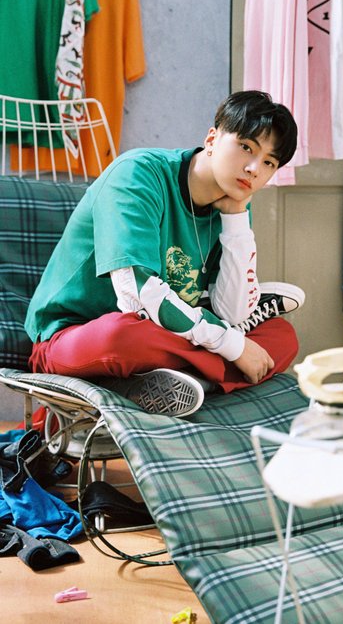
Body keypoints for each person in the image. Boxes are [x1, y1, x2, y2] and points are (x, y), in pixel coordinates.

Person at [25, 90, 305, 417]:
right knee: (122, 336)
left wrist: (236, 220)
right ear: (212, 139)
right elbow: (136, 295)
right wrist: (234, 345)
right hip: (78, 335)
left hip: (168, 332)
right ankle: (202, 379)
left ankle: (169, 384)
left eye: (269, 162)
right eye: (246, 147)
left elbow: (230, 312)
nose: (254, 168)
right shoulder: (138, 174)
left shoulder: (233, 202)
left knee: (282, 337)